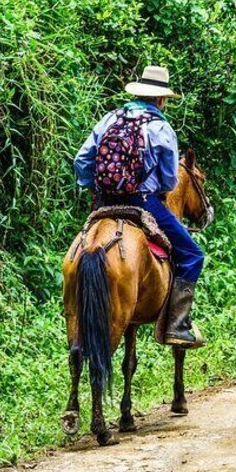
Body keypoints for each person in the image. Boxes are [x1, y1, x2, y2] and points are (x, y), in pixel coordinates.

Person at [74, 65, 205, 349]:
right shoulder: (160, 127)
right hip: (141, 201)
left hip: (104, 202)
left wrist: (96, 189)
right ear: (160, 99)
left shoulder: (109, 119)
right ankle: (176, 325)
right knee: (194, 255)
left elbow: (82, 161)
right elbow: (170, 180)